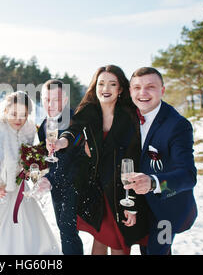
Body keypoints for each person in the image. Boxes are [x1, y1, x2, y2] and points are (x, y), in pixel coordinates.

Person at [47, 65, 149, 255]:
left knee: (118, 244)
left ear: (120, 89)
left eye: (112, 84)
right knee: (100, 239)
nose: (106, 89)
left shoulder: (129, 117)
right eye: (101, 83)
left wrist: (132, 202)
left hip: (119, 191)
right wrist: (62, 141)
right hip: (95, 189)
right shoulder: (89, 111)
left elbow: (132, 160)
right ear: (95, 87)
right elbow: (74, 131)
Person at [0, 91, 61, 255]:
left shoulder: (29, 128)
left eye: (23, 115)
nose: (18, 119)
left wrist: (34, 168)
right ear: (5, 111)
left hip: (20, 188)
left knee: (30, 232)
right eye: (14, 114)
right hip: (0, 187)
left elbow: (30, 156)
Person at [126, 67, 198, 255]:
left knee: (157, 252)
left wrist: (154, 183)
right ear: (130, 91)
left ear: (162, 91)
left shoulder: (178, 125)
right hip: (142, 207)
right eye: (137, 87)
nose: (143, 93)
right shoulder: (128, 117)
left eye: (150, 86)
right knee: (145, 250)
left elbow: (188, 176)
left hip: (168, 209)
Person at [36, 79, 84, 255]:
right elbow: (46, 156)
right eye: (46, 99)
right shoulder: (43, 125)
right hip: (56, 184)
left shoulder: (74, 121)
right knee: (63, 228)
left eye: (55, 100)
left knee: (68, 230)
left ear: (64, 100)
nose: (49, 104)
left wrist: (49, 179)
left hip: (75, 183)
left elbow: (71, 159)